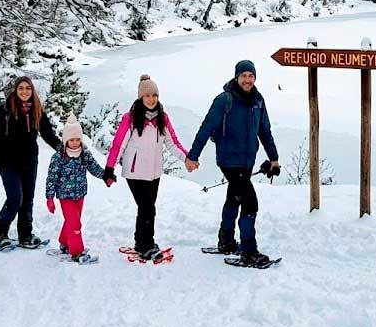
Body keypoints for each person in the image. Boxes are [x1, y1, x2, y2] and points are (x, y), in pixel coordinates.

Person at [186, 59, 280, 266]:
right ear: (237, 77)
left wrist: (274, 158)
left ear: (255, 78)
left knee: (234, 198)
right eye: (243, 76)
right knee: (249, 202)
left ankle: (226, 242)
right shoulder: (224, 100)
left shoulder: (258, 101)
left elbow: (264, 130)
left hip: (247, 160)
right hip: (229, 160)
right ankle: (249, 251)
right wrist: (193, 156)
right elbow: (206, 128)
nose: (247, 80)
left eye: (251, 76)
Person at [104, 74, 191, 261]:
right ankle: (146, 245)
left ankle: (141, 241)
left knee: (146, 208)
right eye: (147, 96)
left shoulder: (163, 118)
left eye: (155, 95)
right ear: (140, 97)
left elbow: (173, 143)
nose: (151, 99)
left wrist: (187, 159)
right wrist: (109, 169)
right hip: (134, 171)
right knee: (147, 208)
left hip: (154, 172)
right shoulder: (131, 118)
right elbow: (118, 145)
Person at [0, 76, 62, 250]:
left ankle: (25, 234)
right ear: (16, 90)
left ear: (32, 91)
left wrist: (62, 148)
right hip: (7, 161)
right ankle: (0, 232)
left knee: (28, 199)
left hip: (29, 161)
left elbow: (48, 134)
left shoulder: (37, 110)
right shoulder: (5, 110)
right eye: (21, 88)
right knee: (15, 197)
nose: (24, 91)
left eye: (28, 88)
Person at [45, 115, 106, 264]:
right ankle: (77, 252)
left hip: (80, 194)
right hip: (64, 196)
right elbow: (52, 177)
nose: (75, 143)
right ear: (66, 140)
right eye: (71, 140)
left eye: (77, 139)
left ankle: (65, 243)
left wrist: (106, 176)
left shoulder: (84, 153)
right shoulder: (59, 156)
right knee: (75, 223)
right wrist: (49, 198)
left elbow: (94, 168)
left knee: (72, 221)